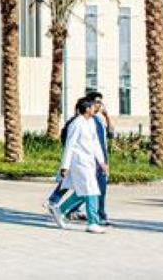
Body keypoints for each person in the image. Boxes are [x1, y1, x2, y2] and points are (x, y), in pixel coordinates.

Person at [49, 98, 108, 233]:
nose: (95, 108)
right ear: (87, 109)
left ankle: (60, 209)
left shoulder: (91, 122)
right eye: (92, 106)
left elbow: (95, 144)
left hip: (90, 163)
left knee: (85, 191)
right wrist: (65, 166)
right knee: (91, 190)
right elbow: (69, 145)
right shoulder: (76, 124)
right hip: (79, 163)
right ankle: (93, 222)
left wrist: (102, 162)